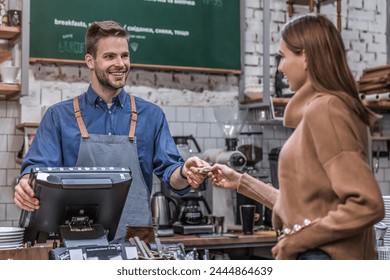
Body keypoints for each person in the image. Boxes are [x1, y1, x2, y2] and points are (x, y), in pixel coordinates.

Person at [208, 14, 385, 260]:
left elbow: (366, 204)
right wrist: (240, 181)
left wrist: (296, 240)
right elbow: (303, 207)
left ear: (306, 57)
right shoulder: (327, 108)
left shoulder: (327, 110)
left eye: (283, 56)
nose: (280, 67)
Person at [13, 20, 209, 241]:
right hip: (76, 242)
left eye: (124, 55)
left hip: (137, 243)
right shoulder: (58, 116)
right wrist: (25, 185)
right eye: (109, 57)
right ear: (90, 61)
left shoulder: (152, 115)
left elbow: (172, 175)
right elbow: (36, 172)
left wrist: (185, 172)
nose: (120, 63)